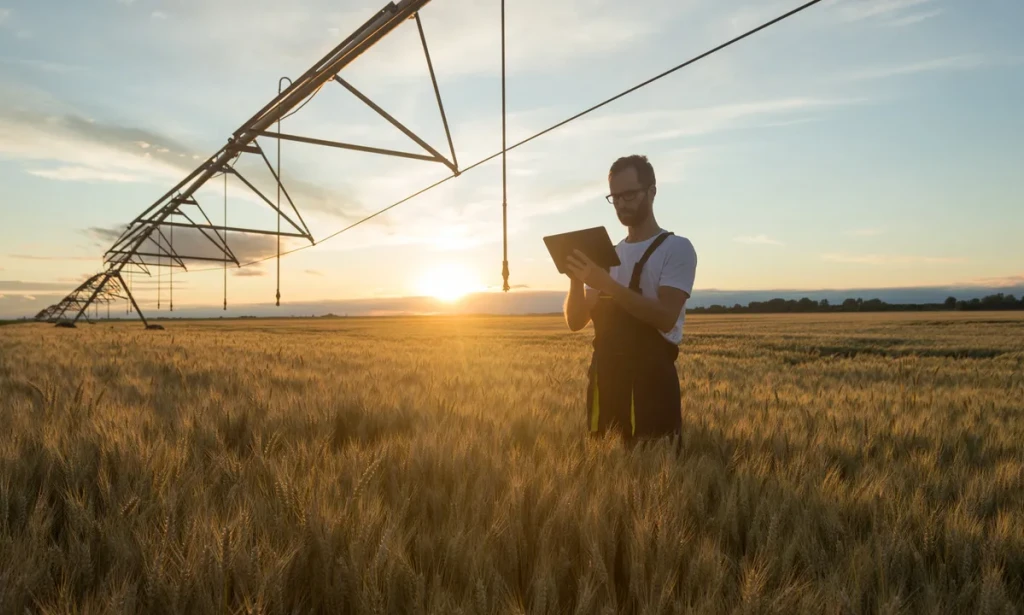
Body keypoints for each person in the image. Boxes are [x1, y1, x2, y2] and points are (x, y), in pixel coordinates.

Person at [562, 154, 697, 449]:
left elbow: (665, 316)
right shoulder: (606, 255)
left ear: (651, 192)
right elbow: (575, 322)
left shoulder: (677, 248)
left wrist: (606, 283)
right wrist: (576, 277)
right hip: (605, 381)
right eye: (615, 197)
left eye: (629, 195)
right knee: (605, 468)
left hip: (651, 382)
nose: (621, 204)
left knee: (655, 470)